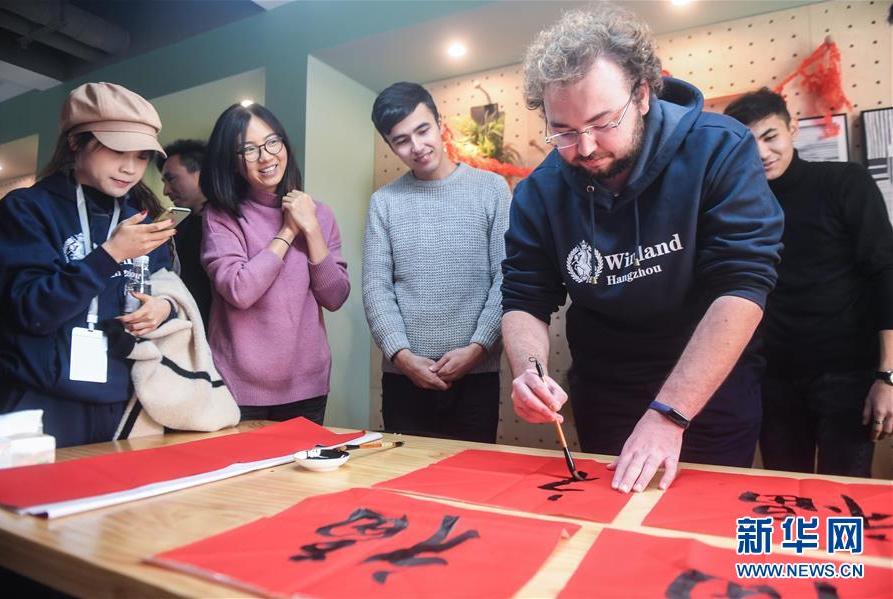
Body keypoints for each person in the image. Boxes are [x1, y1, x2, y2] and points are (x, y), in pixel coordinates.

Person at [501, 6, 784, 492]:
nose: (585, 147)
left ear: (643, 94)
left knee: (702, 520)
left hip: (710, 386)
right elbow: (525, 297)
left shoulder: (719, 148)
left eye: (602, 122)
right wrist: (531, 371)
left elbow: (743, 285)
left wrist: (670, 413)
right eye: (563, 130)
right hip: (606, 389)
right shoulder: (539, 191)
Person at [0, 82, 176, 447]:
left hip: (122, 404)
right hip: (38, 401)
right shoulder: (27, 209)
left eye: (142, 156)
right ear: (76, 141)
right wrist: (109, 254)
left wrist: (163, 309)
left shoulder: (141, 221)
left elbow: (166, 295)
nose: (130, 168)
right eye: (116, 150)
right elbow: (32, 311)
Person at [725, 88, 893, 476]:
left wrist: (886, 377)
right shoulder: (736, 206)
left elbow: (885, 273)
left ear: (793, 128)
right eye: (748, 144)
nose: (762, 153)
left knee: (843, 493)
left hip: (848, 375)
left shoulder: (844, 182)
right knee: (784, 493)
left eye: (770, 136)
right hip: (772, 378)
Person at [363, 82, 510, 443]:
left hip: (476, 375)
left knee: (470, 471)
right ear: (390, 145)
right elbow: (376, 288)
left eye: (423, 130)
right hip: (404, 377)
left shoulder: (492, 189)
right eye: (401, 140)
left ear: (440, 123)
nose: (417, 147)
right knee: (403, 473)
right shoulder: (384, 202)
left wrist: (477, 349)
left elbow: (506, 278)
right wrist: (402, 357)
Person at [199, 103, 350, 424]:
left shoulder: (318, 213)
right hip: (239, 386)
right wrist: (288, 231)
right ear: (233, 163)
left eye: (272, 142)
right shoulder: (221, 216)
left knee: (303, 460)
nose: (266, 157)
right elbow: (240, 290)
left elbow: (335, 297)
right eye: (249, 150)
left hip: (307, 385)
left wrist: (311, 228)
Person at [156, 139, 212, 329]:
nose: (165, 191)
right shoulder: (176, 223)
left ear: (202, 173)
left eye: (171, 179)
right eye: (164, 182)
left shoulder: (230, 222)